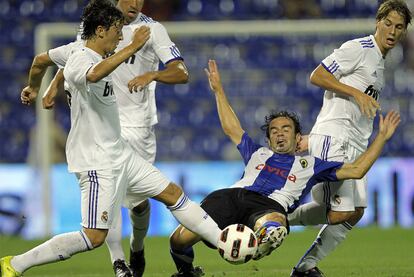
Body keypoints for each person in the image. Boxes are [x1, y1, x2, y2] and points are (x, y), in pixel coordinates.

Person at [0, 1, 221, 277]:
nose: (121, 37)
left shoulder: (74, 50)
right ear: (101, 31)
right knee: (93, 237)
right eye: (117, 32)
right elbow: (93, 73)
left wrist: (36, 87)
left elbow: (40, 60)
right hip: (96, 160)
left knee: (172, 194)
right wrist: (132, 47)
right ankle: (15, 264)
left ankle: (225, 241)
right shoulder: (82, 59)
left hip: (119, 150)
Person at [168, 60, 401, 277]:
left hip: (268, 207)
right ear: (269, 140)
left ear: (298, 137)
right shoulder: (257, 152)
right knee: (178, 241)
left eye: (286, 129)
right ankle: (186, 272)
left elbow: (357, 170)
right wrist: (218, 90)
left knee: (274, 226)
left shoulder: (311, 164)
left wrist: (381, 137)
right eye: (274, 130)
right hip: (229, 198)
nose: (279, 133)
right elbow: (232, 128)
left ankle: (254, 247)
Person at [34, 0, 190, 276]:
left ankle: (137, 247)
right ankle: (119, 263)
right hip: (104, 125)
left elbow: (181, 72)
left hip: (139, 126)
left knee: (139, 204)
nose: (135, 3)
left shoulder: (152, 29)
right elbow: (75, 56)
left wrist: (152, 74)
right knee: (110, 197)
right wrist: (54, 85)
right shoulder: (97, 23)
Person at [288, 1, 412, 276]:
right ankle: (279, 222)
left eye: (399, 27)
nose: (392, 31)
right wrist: (356, 94)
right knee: (340, 212)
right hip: (337, 138)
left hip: (355, 144)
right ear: (377, 22)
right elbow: (317, 75)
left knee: (355, 212)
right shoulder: (359, 48)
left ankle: (304, 266)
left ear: (404, 32)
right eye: (388, 23)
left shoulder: (380, 61)